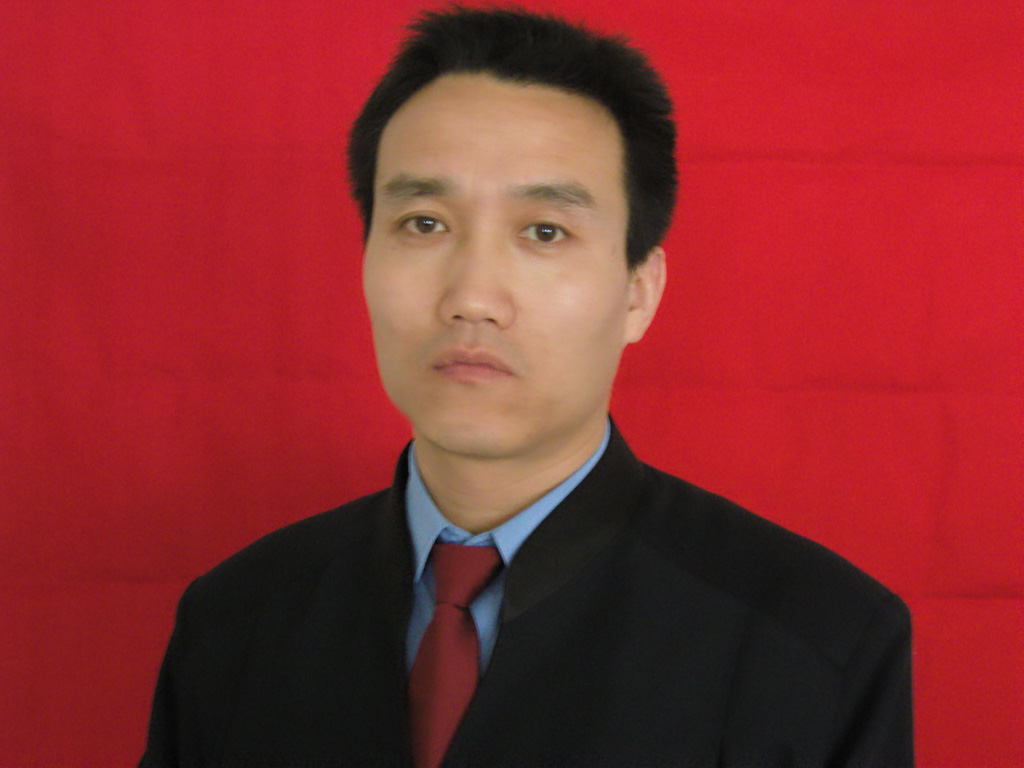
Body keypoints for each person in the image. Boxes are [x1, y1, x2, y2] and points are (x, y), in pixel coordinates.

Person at [139, 7, 913, 767]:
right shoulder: (234, 621)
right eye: (424, 223)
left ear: (639, 292)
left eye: (545, 231)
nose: (472, 297)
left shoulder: (819, 642)